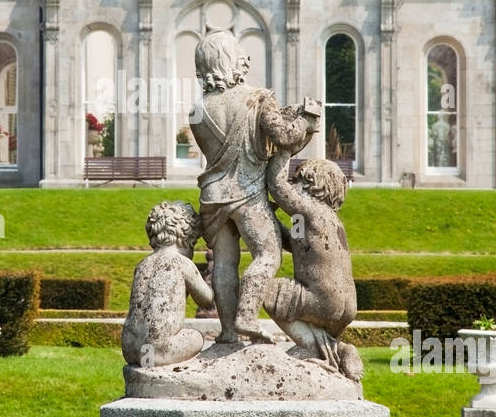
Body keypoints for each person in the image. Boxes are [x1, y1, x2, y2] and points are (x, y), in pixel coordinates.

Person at [190, 31, 317, 344]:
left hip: (213, 197)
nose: (246, 59)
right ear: (232, 61)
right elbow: (286, 137)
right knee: (268, 255)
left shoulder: (196, 110)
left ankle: (228, 331)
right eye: (240, 53)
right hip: (248, 196)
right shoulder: (258, 98)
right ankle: (247, 315)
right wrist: (307, 118)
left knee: (224, 264)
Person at [264, 147, 363, 381]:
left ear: (313, 185)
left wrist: (283, 149)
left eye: (298, 181)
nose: (293, 185)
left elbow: (276, 185)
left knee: (266, 290)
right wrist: (270, 220)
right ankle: (339, 350)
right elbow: (295, 242)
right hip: (348, 306)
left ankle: (309, 346)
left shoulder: (310, 210)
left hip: (324, 299)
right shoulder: (329, 220)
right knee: (309, 315)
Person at [122, 200, 212, 368]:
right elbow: (207, 300)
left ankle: (147, 362)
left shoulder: (142, 265)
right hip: (159, 350)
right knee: (196, 336)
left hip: (131, 349)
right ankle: (156, 362)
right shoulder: (181, 263)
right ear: (187, 237)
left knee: (148, 346)